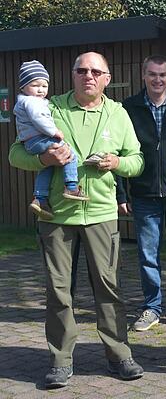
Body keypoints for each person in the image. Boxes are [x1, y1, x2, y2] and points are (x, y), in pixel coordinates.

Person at [8, 52, 145, 388]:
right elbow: (15, 154)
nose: (89, 76)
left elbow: (137, 160)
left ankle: (119, 354)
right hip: (56, 216)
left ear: (107, 78)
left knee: (108, 288)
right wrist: (43, 157)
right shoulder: (48, 106)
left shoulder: (117, 113)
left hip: (101, 214)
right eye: (82, 70)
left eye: (96, 71)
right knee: (58, 291)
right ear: (72, 75)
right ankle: (59, 361)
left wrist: (116, 162)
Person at [117, 55, 166, 332]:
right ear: (143, 75)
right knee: (148, 254)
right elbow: (120, 151)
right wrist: (122, 194)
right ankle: (152, 308)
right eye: (152, 74)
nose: (157, 80)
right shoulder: (129, 107)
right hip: (143, 192)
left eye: (162, 75)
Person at [14, 60, 88, 220]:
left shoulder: (25, 101)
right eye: (35, 85)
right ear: (23, 87)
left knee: (47, 166)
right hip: (39, 138)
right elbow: (39, 118)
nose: (40, 90)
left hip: (30, 142)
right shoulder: (32, 102)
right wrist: (54, 131)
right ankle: (71, 187)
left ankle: (39, 199)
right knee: (69, 154)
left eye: (44, 86)